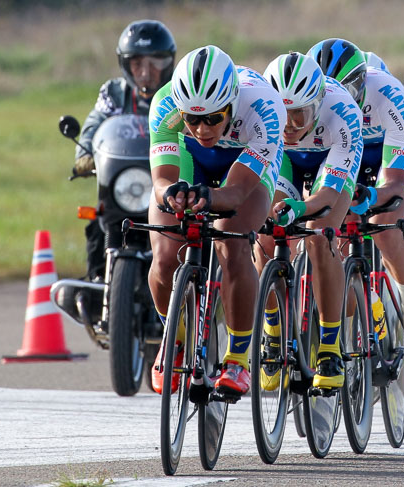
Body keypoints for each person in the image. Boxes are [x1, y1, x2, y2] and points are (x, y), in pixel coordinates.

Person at [148, 45, 285, 397]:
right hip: (190, 159)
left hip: (242, 163)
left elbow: (237, 192)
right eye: (192, 119)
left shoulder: (265, 108)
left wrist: (209, 196)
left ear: (232, 103)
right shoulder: (165, 105)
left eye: (212, 118)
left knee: (234, 244)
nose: (201, 127)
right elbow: (161, 180)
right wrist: (171, 194)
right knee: (164, 256)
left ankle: (238, 358)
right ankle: (173, 339)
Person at [307, 38, 404, 370]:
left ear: (362, 82)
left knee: (386, 228)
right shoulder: (318, 105)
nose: (341, 99)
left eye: (348, 89)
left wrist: (375, 197)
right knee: (329, 235)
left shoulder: (389, 97)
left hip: (390, 153)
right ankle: (366, 300)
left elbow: (396, 182)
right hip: (345, 151)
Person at [260, 51, 362, 389]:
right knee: (263, 233)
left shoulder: (342, 113)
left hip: (328, 158)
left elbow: (327, 198)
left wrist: (300, 210)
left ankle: (330, 347)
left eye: (299, 115)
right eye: (282, 114)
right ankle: (273, 327)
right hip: (285, 160)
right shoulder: (261, 112)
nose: (289, 125)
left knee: (321, 235)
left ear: (316, 106)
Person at [72, 20, 176, 281]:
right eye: (137, 63)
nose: (146, 71)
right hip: (126, 183)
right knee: (99, 222)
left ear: (168, 63)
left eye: (155, 63)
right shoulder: (113, 92)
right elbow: (96, 121)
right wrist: (84, 153)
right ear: (125, 65)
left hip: (167, 183)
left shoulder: (178, 93)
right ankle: (99, 284)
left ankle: (196, 285)